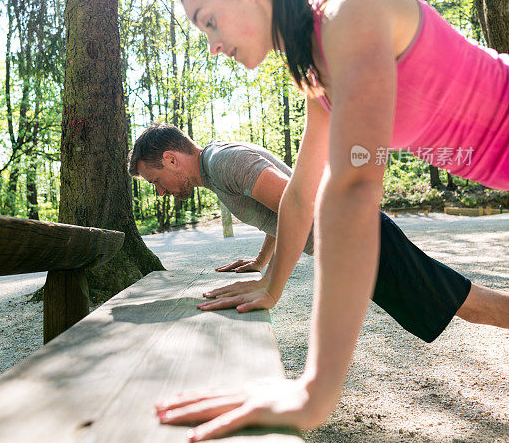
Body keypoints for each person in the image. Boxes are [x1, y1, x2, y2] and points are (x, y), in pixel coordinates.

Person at [155, 0, 509, 442]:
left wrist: (314, 391)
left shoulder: (347, 13)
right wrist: (270, 286)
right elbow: (301, 195)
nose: (212, 45)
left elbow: (352, 189)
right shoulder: (318, 77)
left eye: (209, 20)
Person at [129, 122, 508, 341]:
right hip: (353, 244)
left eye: (155, 179)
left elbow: (300, 207)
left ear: (171, 159)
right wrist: (261, 262)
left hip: (359, 237)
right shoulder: (216, 167)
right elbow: (284, 207)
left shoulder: (224, 162)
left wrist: (271, 286)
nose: (160, 190)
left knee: (465, 304)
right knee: (457, 303)